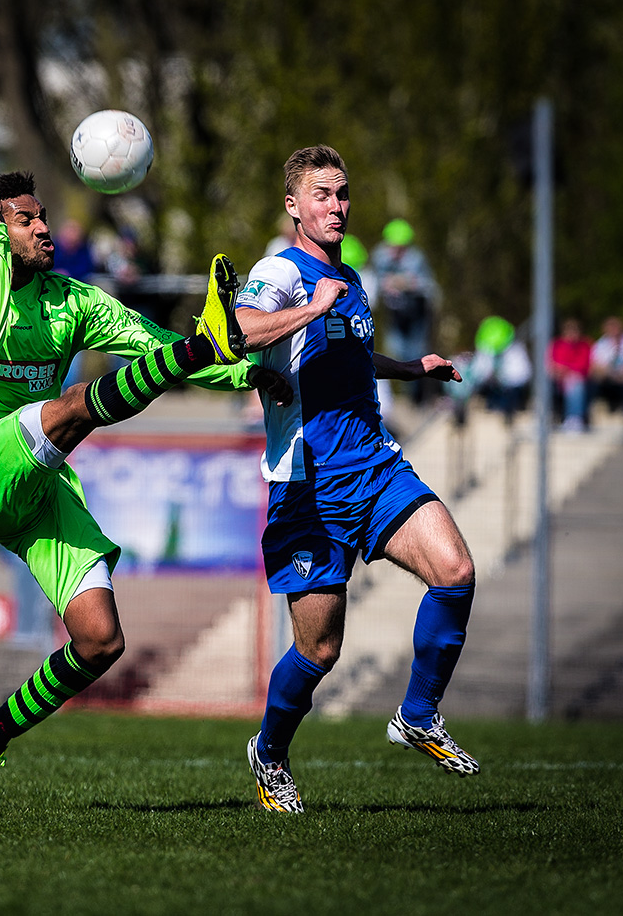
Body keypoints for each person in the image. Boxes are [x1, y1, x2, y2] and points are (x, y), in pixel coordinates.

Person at [0, 170, 292, 810]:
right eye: (25, 219)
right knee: (72, 406)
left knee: (100, 642)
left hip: (40, 480)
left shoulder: (74, 300)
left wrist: (245, 373)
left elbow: (158, 348)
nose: (43, 228)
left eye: (42, 217)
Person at [234, 145, 478, 813]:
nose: (336, 206)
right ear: (293, 205)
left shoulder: (350, 275)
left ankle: (418, 714)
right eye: (321, 194)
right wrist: (313, 306)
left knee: (454, 571)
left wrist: (409, 367)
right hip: (309, 486)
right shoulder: (280, 271)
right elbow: (242, 330)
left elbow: (350, 354)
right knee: (319, 648)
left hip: (374, 465)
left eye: (342, 194)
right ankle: (271, 752)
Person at [370, 218, 441, 404]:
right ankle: (403, 394)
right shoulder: (379, 257)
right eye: (392, 246)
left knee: (416, 352)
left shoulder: (416, 259)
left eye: (401, 247)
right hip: (395, 315)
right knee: (396, 351)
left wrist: (408, 284)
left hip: (417, 314)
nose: (395, 251)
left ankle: (417, 397)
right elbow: (375, 282)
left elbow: (430, 287)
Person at [469, 316, 532, 424]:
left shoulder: (515, 350)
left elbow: (522, 374)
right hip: (491, 388)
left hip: (511, 388)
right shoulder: (486, 350)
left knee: (509, 393)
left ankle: (507, 414)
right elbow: (478, 372)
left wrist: (503, 377)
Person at [548, 317, 593, 432]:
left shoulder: (585, 345)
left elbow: (584, 365)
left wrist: (566, 370)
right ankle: (547, 417)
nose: (572, 334)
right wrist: (558, 371)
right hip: (557, 378)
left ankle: (574, 419)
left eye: (575, 331)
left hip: (577, 378)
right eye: (569, 331)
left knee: (574, 383)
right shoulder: (556, 344)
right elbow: (550, 364)